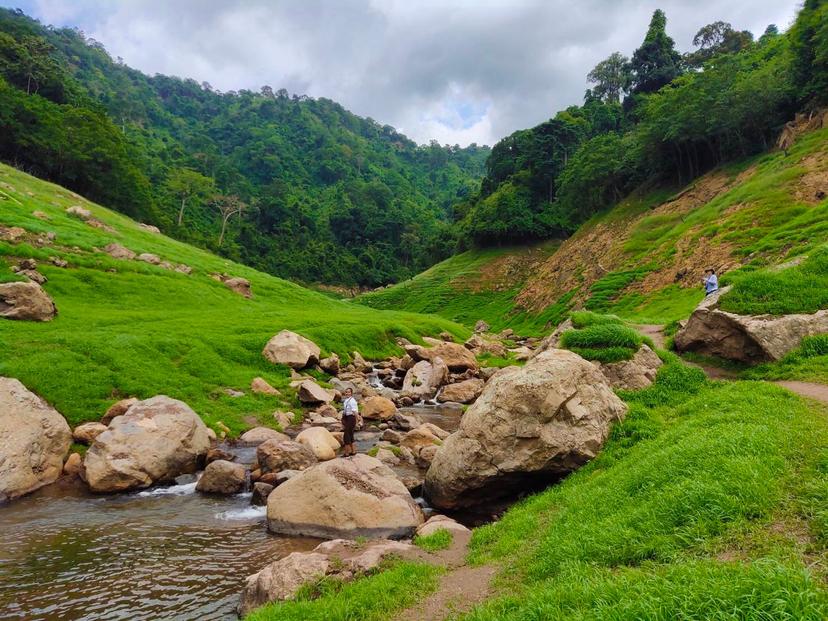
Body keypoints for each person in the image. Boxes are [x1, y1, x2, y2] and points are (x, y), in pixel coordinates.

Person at [341, 387, 359, 457]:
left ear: (351, 393)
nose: (347, 393)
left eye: (348, 392)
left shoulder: (352, 401)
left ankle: (347, 453)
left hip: (351, 418)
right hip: (347, 418)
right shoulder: (346, 400)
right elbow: (345, 410)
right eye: (346, 392)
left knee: (346, 435)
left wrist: (358, 420)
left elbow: (354, 411)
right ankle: (353, 451)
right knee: (350, 434)